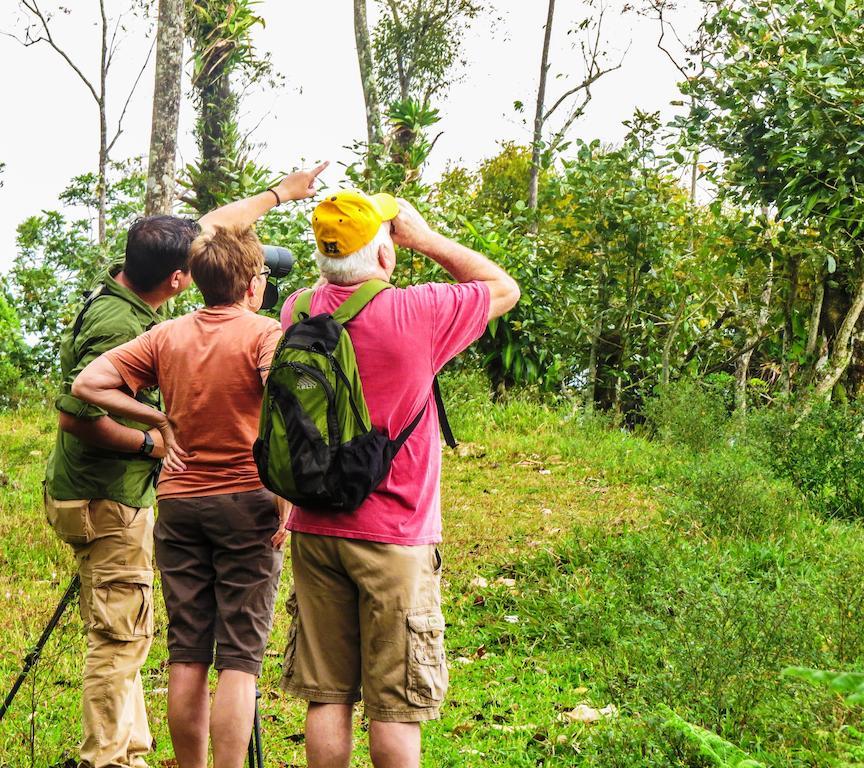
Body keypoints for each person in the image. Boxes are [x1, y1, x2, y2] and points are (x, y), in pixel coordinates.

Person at [70, 163, 327, 768]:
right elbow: (289, 409)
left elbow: (90, 382)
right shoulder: (266, 334)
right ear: (250, 284)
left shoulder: (167, 335)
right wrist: (288, 488)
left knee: (187, 654)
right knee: (239, 660)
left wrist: (159, 422)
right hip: (248, 502)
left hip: (179, 502)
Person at [278, 189, 520, 768]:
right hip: (395, 535)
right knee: (395, 706)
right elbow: (504, 289)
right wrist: (427, 238)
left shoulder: (298, 310)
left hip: (315, 525)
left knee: (327, 696)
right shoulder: (421, 311)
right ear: (385, 255)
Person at [44, 214, 198, 768]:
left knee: (121, 628)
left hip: (89, 492)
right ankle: (103, 760)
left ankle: (130, 753)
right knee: (119, 638)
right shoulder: (120, 327)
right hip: (106, 498)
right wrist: (151, 444)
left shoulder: (121, 295)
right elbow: (75, 416)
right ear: (177, 278)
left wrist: (279, 192)